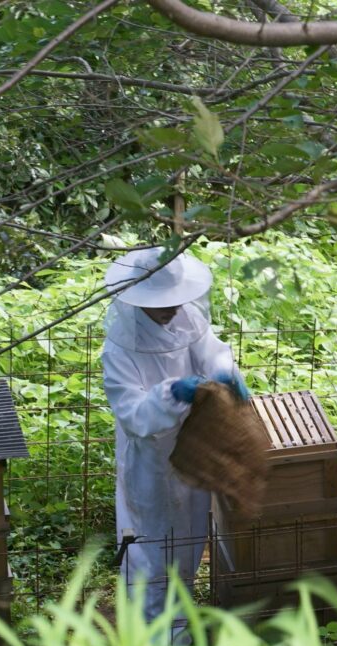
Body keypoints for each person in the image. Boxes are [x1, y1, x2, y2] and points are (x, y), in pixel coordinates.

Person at [102, 246, 247, 624]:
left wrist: (223, 372)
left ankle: (178, 628)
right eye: (162, 302)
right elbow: (133, 415)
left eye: (176, 299)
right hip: (149, 459)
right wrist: (172, 393)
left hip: (194, 447)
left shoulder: (188, 317)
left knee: (188, 540)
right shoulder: (120, 346)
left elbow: (212, 352)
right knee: (149, 551)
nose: (171, 308)